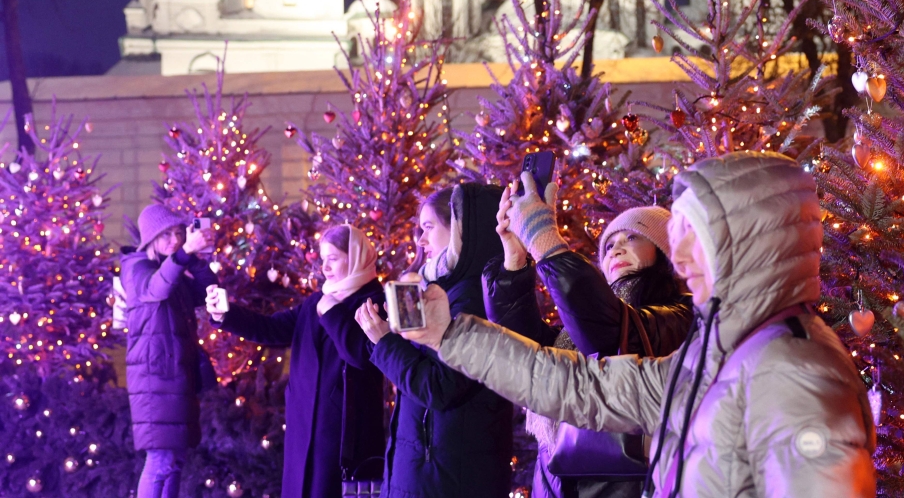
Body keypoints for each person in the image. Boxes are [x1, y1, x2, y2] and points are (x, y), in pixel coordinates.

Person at [401, 153, 878, 498]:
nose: (683, 256)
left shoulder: (794, 369)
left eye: (697, 238)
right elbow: (577, 384)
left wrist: (545, 240)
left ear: (754, 244)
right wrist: (450, 334)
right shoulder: (713, 351)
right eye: (678, 238)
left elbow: (608, 337)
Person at [486, 181, 691, 498]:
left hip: (626, 486)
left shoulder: (682, 312)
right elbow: (529, 354)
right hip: (557, 481)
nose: (617, 249)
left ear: (666, 253)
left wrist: (545, 242)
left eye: (633, 237)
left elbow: (612, 335)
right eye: (609, 246)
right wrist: (515, 259)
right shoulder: (575, 329)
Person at [354, 184, 513, 498]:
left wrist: (385, 341)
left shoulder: (471, 298)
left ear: (459, 231)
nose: (421, 240)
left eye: (428, 228)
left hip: (448, 477)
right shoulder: (443, 288)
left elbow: (440, 388)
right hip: (430, 469)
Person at [204, 225, 386, 498]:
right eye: (322, 259)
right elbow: (272, 329)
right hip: (304, 429)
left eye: (333, 258)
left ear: (356, 255)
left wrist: (334, 312)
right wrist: (226, 315)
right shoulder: (318, 301)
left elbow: (360, 356)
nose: (325, 267)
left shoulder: (375, 301)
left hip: (343, 434)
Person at [120, 204, 217, 498]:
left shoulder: (172, 271)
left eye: (178, 233)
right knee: (160, 460)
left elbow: (209, 290)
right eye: (166, 235)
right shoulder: (137, 268)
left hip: (175, 377)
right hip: (155, 380)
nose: (174, 240)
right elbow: (155, 289)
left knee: (174, 461)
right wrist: (184, 254)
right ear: (150, 239)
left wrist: (195, 259)